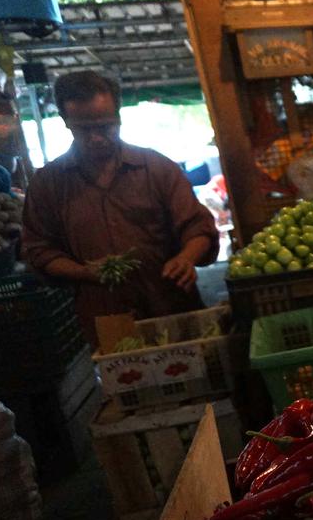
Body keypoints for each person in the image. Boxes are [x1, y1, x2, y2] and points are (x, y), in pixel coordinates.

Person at [21, 71, 219, 346]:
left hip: (170, 303)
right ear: (66, 123)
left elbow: (197, 226)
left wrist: (186, 257)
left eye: (105, 126)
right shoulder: (48, 184)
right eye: (83, 129)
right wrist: (85, 272)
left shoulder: (156, 168)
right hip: (106, 317)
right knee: (128, 382)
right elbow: (39, 250)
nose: (97, 138)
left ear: (119, 116)